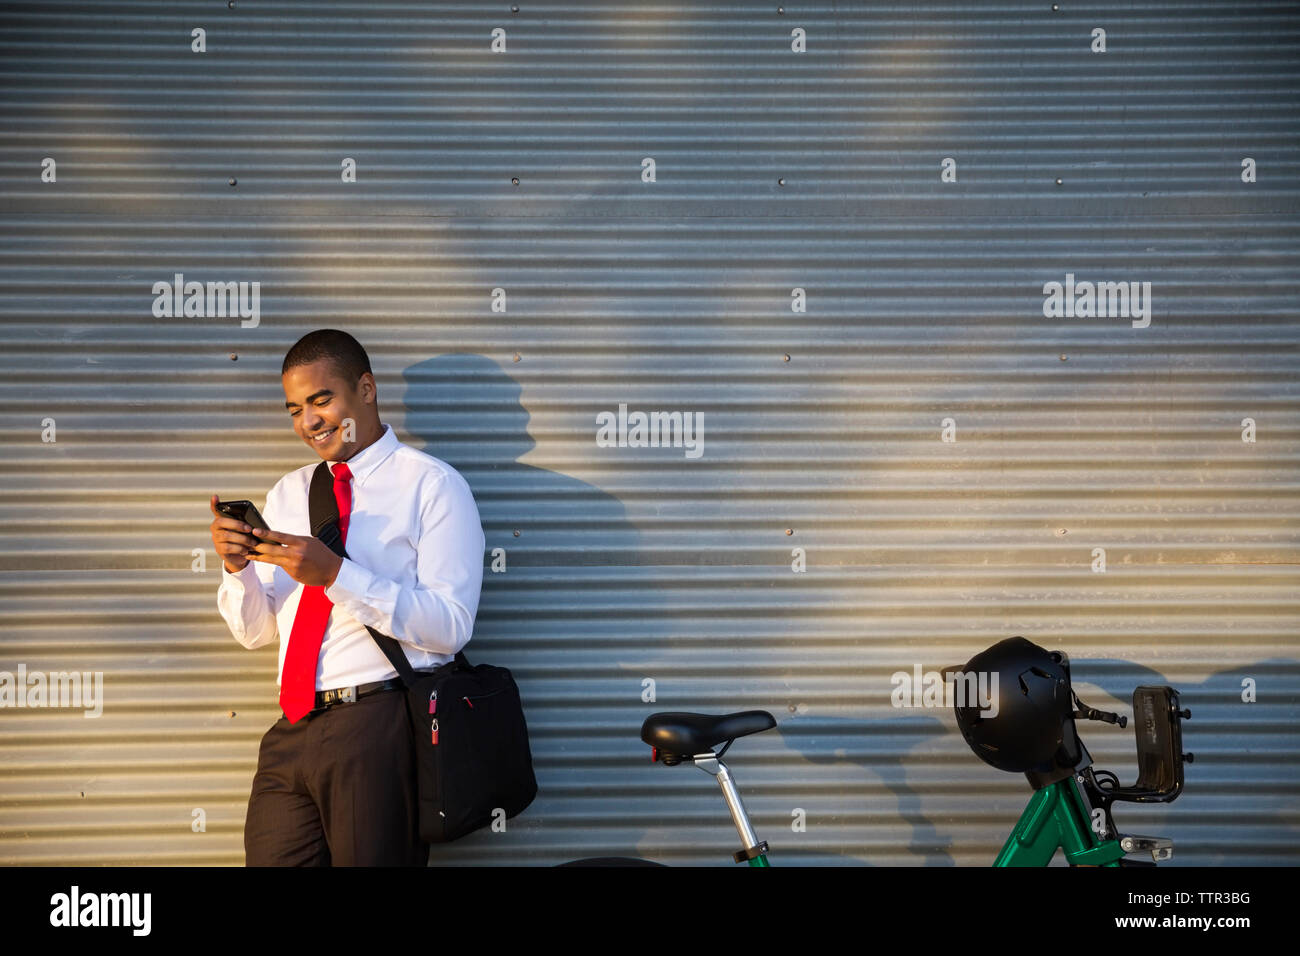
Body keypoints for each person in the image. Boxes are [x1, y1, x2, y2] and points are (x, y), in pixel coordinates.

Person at [208, 329, 485, 866]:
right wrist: (236, 569)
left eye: (321, 400)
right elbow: (257, 632)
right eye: (294, 409)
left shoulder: (432, 486)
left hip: (375, 725)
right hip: (290, 732)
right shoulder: (289, 492)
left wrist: (336, 574)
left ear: (367, 388)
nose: (308, 422)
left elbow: (451, 626)